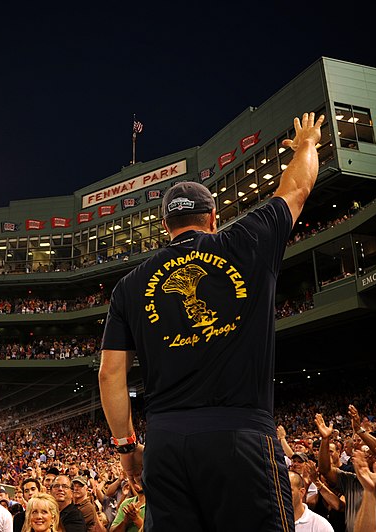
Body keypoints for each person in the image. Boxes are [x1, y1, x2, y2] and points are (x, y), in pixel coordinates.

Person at [99, 112, 325, 531]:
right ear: (213, 217)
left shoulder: (129, 286)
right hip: (242, 435)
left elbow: (110, 374)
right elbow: (296, 188)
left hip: (166, 443)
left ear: (165, 226)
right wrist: (308, 143)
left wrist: (128, 449)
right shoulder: (245, 241)